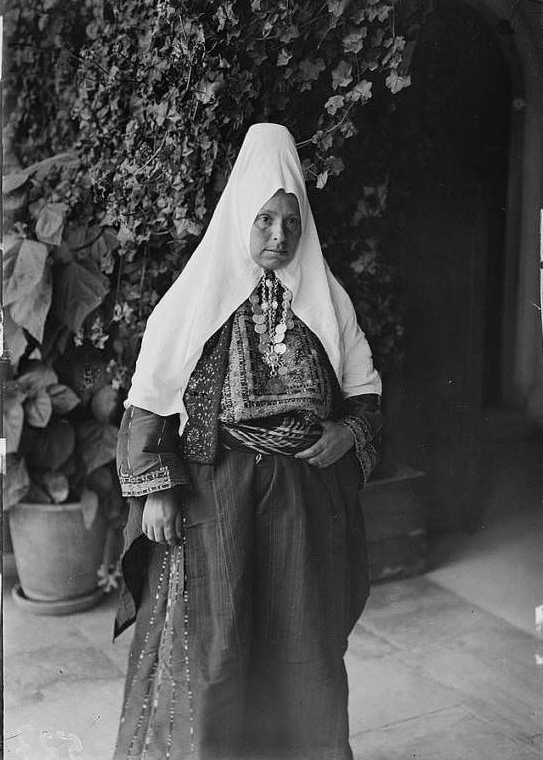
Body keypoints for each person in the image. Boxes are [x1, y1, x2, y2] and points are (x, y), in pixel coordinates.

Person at [112, 123, 383, 760]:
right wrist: (156, 488)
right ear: (241, 217)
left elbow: (365, 395)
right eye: (264, 221)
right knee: (220, 646)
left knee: (305, 644)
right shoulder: (196, 297)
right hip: (218, 493)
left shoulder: (327, 300)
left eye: (290, 221)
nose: (279, 236)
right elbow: (150, 393)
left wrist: (349, 433)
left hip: (303, 496)